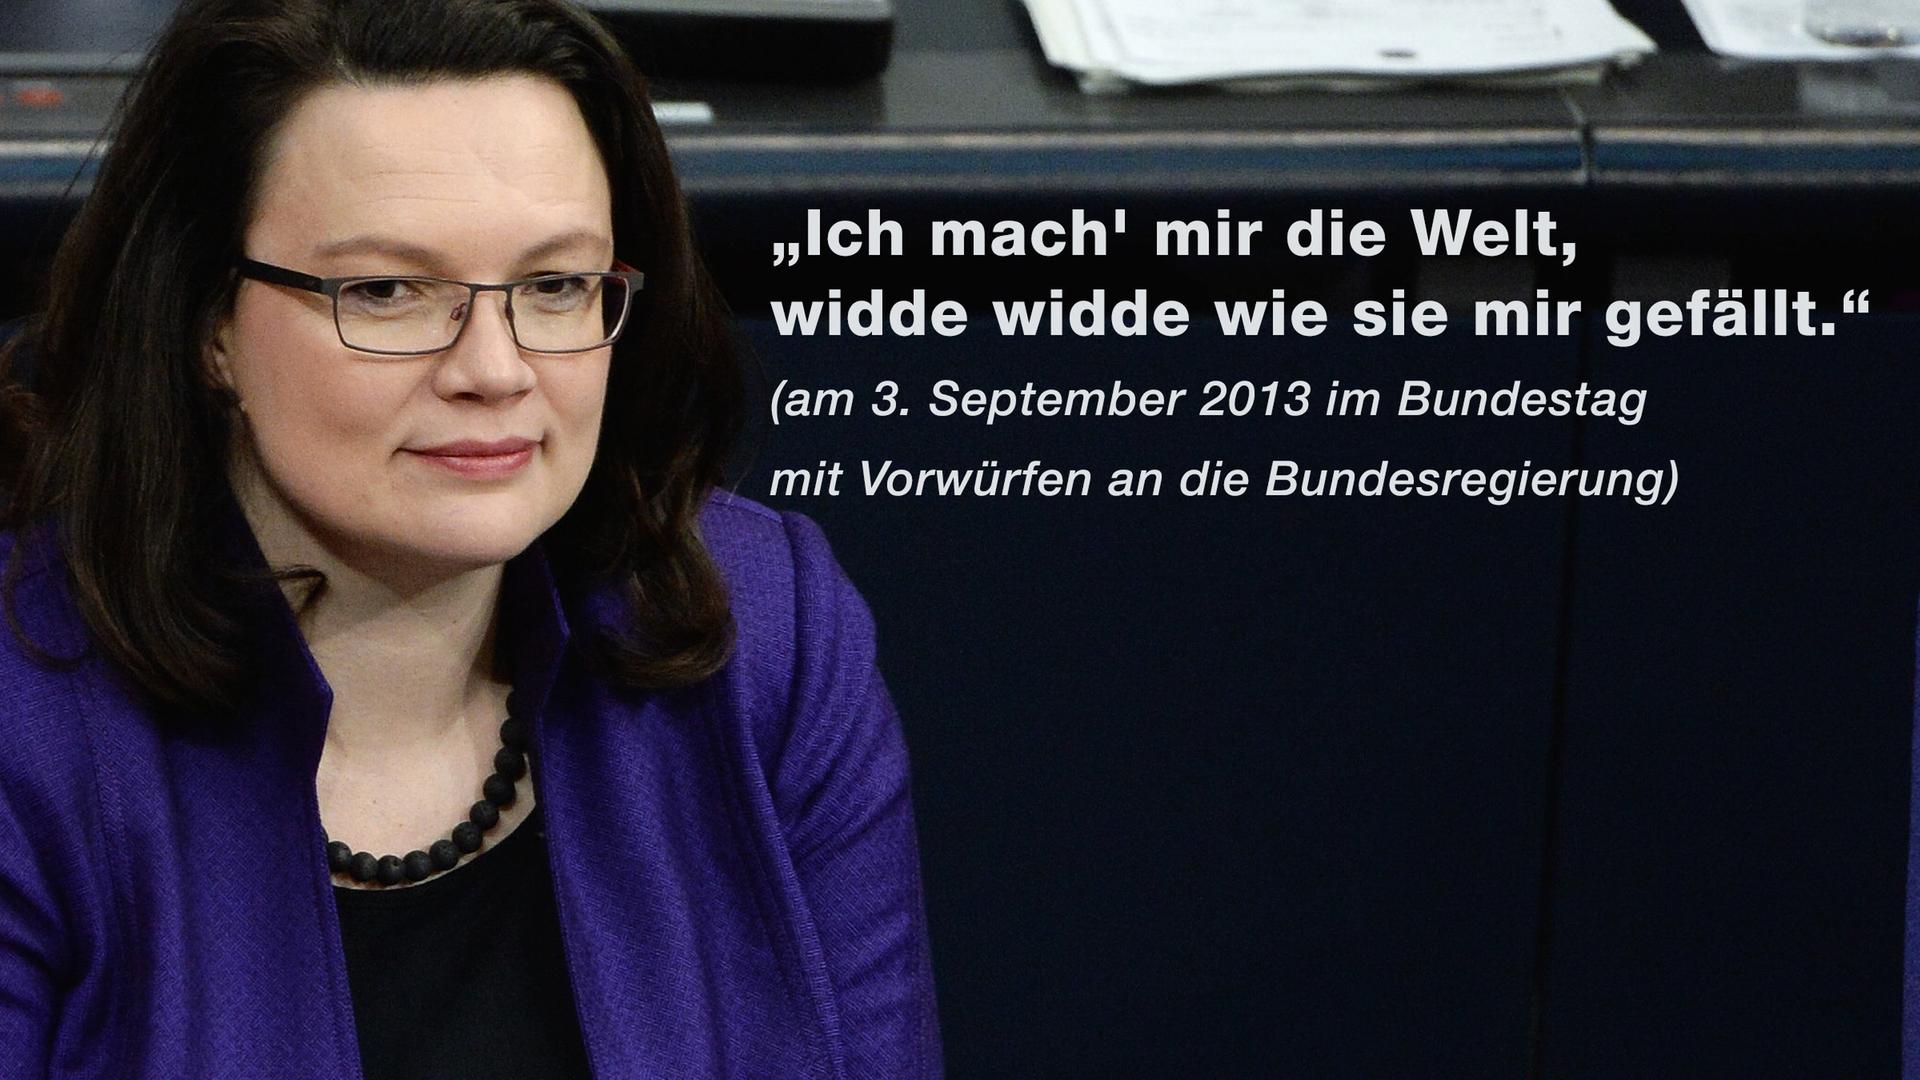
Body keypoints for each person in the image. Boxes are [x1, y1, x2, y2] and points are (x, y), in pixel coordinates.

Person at [0, 1, 942, 1077]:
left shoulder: (764, 637)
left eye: (555, 286)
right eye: (388, 292)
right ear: (208, 323)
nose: (494, 370)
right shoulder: (26, 723)